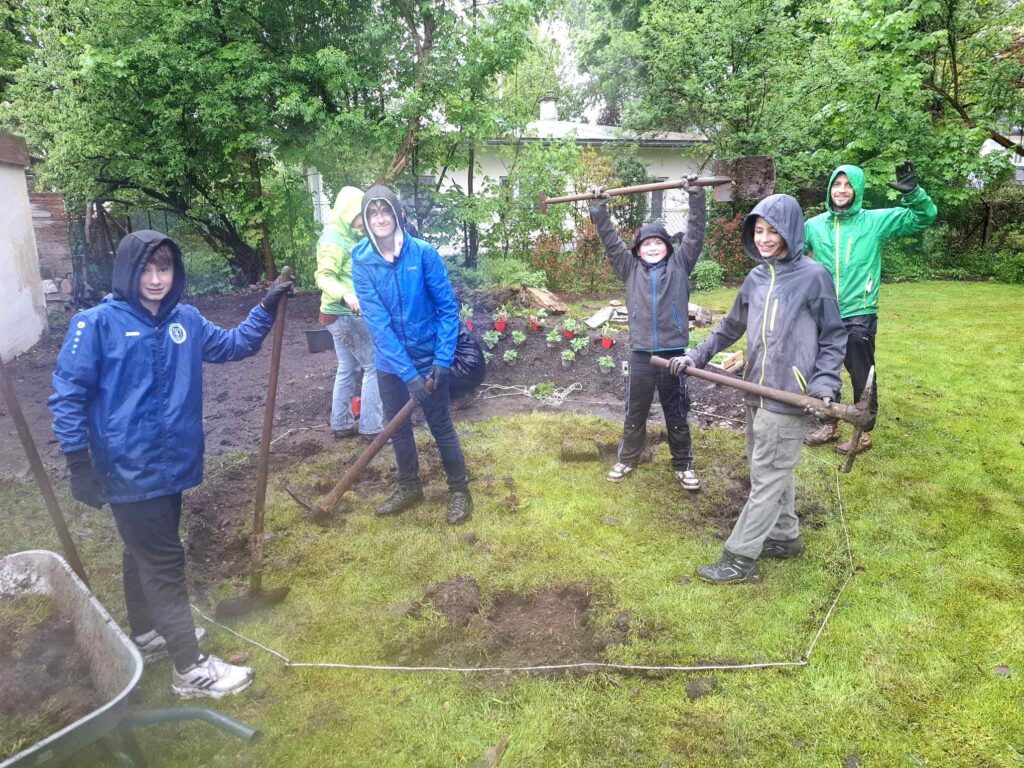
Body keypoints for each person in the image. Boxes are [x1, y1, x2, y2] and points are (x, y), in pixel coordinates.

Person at [49, 230, 292, 697]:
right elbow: (67, 396)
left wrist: (265, 308)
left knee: (139, 551)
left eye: (164, 269)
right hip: (127, 467)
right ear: (128, 271)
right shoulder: (96, 324)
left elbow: (234, 345)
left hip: (173, 464)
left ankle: (147, 633)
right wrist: (78, 462)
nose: (156, 279)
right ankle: (190, 668)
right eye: (146, 269)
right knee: (163, 561)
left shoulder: (187, 320)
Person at [668, 194, 846, 584]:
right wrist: (696, 356)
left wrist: (824, 383)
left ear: (791, 232)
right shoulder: (757, 278)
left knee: (767, 476)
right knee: (768, 469)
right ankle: (783, 536)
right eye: (759, 231)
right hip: (756, 391)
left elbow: (833, 336)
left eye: (772, 231)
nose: (764, 239)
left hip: (790, 394)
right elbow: (730, 327)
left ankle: (739, 558)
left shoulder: (813, 277)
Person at [351, 186, 472, 525]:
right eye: (373, 213)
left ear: (397, 214)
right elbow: (378, 324)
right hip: (391, 363)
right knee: (398, 426)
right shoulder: (361, 260)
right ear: (366, 220)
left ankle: (459, 489)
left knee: (441, 425)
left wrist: (442, 359)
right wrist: (407, 374)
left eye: (385, 210)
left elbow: (447, 308)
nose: (380, 218)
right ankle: (409, 486)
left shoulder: (423, 253)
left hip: (430, 357)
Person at [803, 162, 937, 454]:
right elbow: (793, 255)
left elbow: (923, 217)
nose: (841, 190)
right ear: (829, 188)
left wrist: (913, 193)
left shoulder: (874, 221)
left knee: (861, 372)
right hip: (824, 310)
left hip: (859, 310)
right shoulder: (813, 225)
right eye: (837, 184)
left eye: (848, 185)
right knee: (823, 368)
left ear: (857, 190)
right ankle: (828, 422)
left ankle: (862, 431)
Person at [589, 176, 707, 490]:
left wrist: (696, 196)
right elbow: (610, 241)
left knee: (676, 411)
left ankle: (683, 465)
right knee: (635, 410)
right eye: (646, 244)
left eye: (658, 243)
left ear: (667, 247)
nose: (652, 247)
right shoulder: (629, 268)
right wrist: (598, 208)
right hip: (641, 353)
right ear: (638, 250)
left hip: (672, 354)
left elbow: (695, 233)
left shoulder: (680, 265)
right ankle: (627, 459)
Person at [315, 185, 384, 440]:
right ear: (348, 212)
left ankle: (342, 423)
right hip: (343, 313)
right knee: (374, 365)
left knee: (348, 367)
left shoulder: (347, 236)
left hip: (337, 315)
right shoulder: (332, 240)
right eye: (360, 215)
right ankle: (372, 427)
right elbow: (323, 276)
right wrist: (346, 294)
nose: (364, 222)